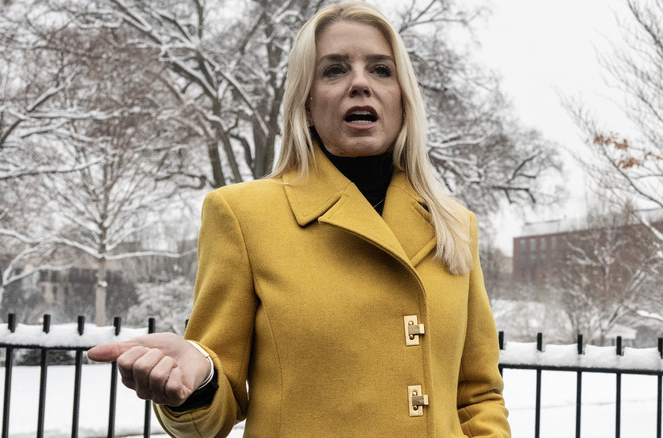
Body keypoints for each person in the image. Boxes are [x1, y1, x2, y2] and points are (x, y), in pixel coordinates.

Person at [87, 2, 511, 437]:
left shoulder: (453, 224)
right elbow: (217, 398)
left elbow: (478, 396)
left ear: (403, 98)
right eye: (334, 70)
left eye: (381, 70)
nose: (360, 83)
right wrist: (199, 384)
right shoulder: (242, 216)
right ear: (306, 104)